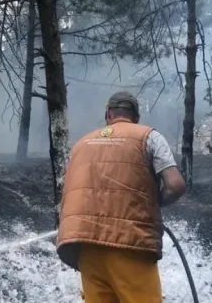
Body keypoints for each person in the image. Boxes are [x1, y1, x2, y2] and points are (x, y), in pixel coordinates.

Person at [56, 91, 187, 303]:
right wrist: (153, 203)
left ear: (108, 114)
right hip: (129, 244)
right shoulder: (148, 137)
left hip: (86, 245)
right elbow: (175, 185)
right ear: (135, 118)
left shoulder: (81, 145)